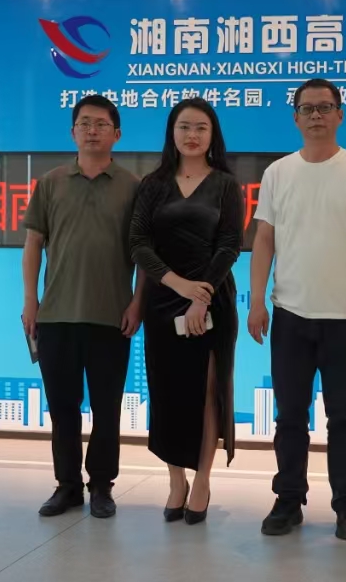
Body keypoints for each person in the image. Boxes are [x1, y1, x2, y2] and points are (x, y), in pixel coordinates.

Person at [247, 78, 346, 541]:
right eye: (307, 109)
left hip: (344, 316)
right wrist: (256, 299)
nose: (316, 116)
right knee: (290, 416)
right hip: (290, 313)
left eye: (325, 107)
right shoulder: (278, 172)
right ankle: (288, 500)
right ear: (295, 118)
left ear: (340, 114)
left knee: (343, 417)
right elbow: (264, 239)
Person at [21, 94, 145, 520]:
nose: (92, 131)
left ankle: (102, 486)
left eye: (101, 124)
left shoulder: (133, 188)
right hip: (56, 316)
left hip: (112, 316)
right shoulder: (51, 183)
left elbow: (144, 253)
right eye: (85, 123)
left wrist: (138, 302)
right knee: (63, 409)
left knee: (107, 409)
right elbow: (33, 244)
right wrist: (31, 301)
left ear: (117, 134)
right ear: (73, 131)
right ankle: (68, 487)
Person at [128, 98, 243, 525]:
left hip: (213, 300)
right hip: (163, 303)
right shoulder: (153, 184)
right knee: (168, 393)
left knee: (207, 393)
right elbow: (138, 243)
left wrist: (201, 295)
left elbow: (229, 245)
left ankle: (202, 482)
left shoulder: (226, 185)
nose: (192, 135)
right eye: (184, 127)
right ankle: (175, 480)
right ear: (171, 133)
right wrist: (177, 285)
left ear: (213, 135)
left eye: (201, 128)